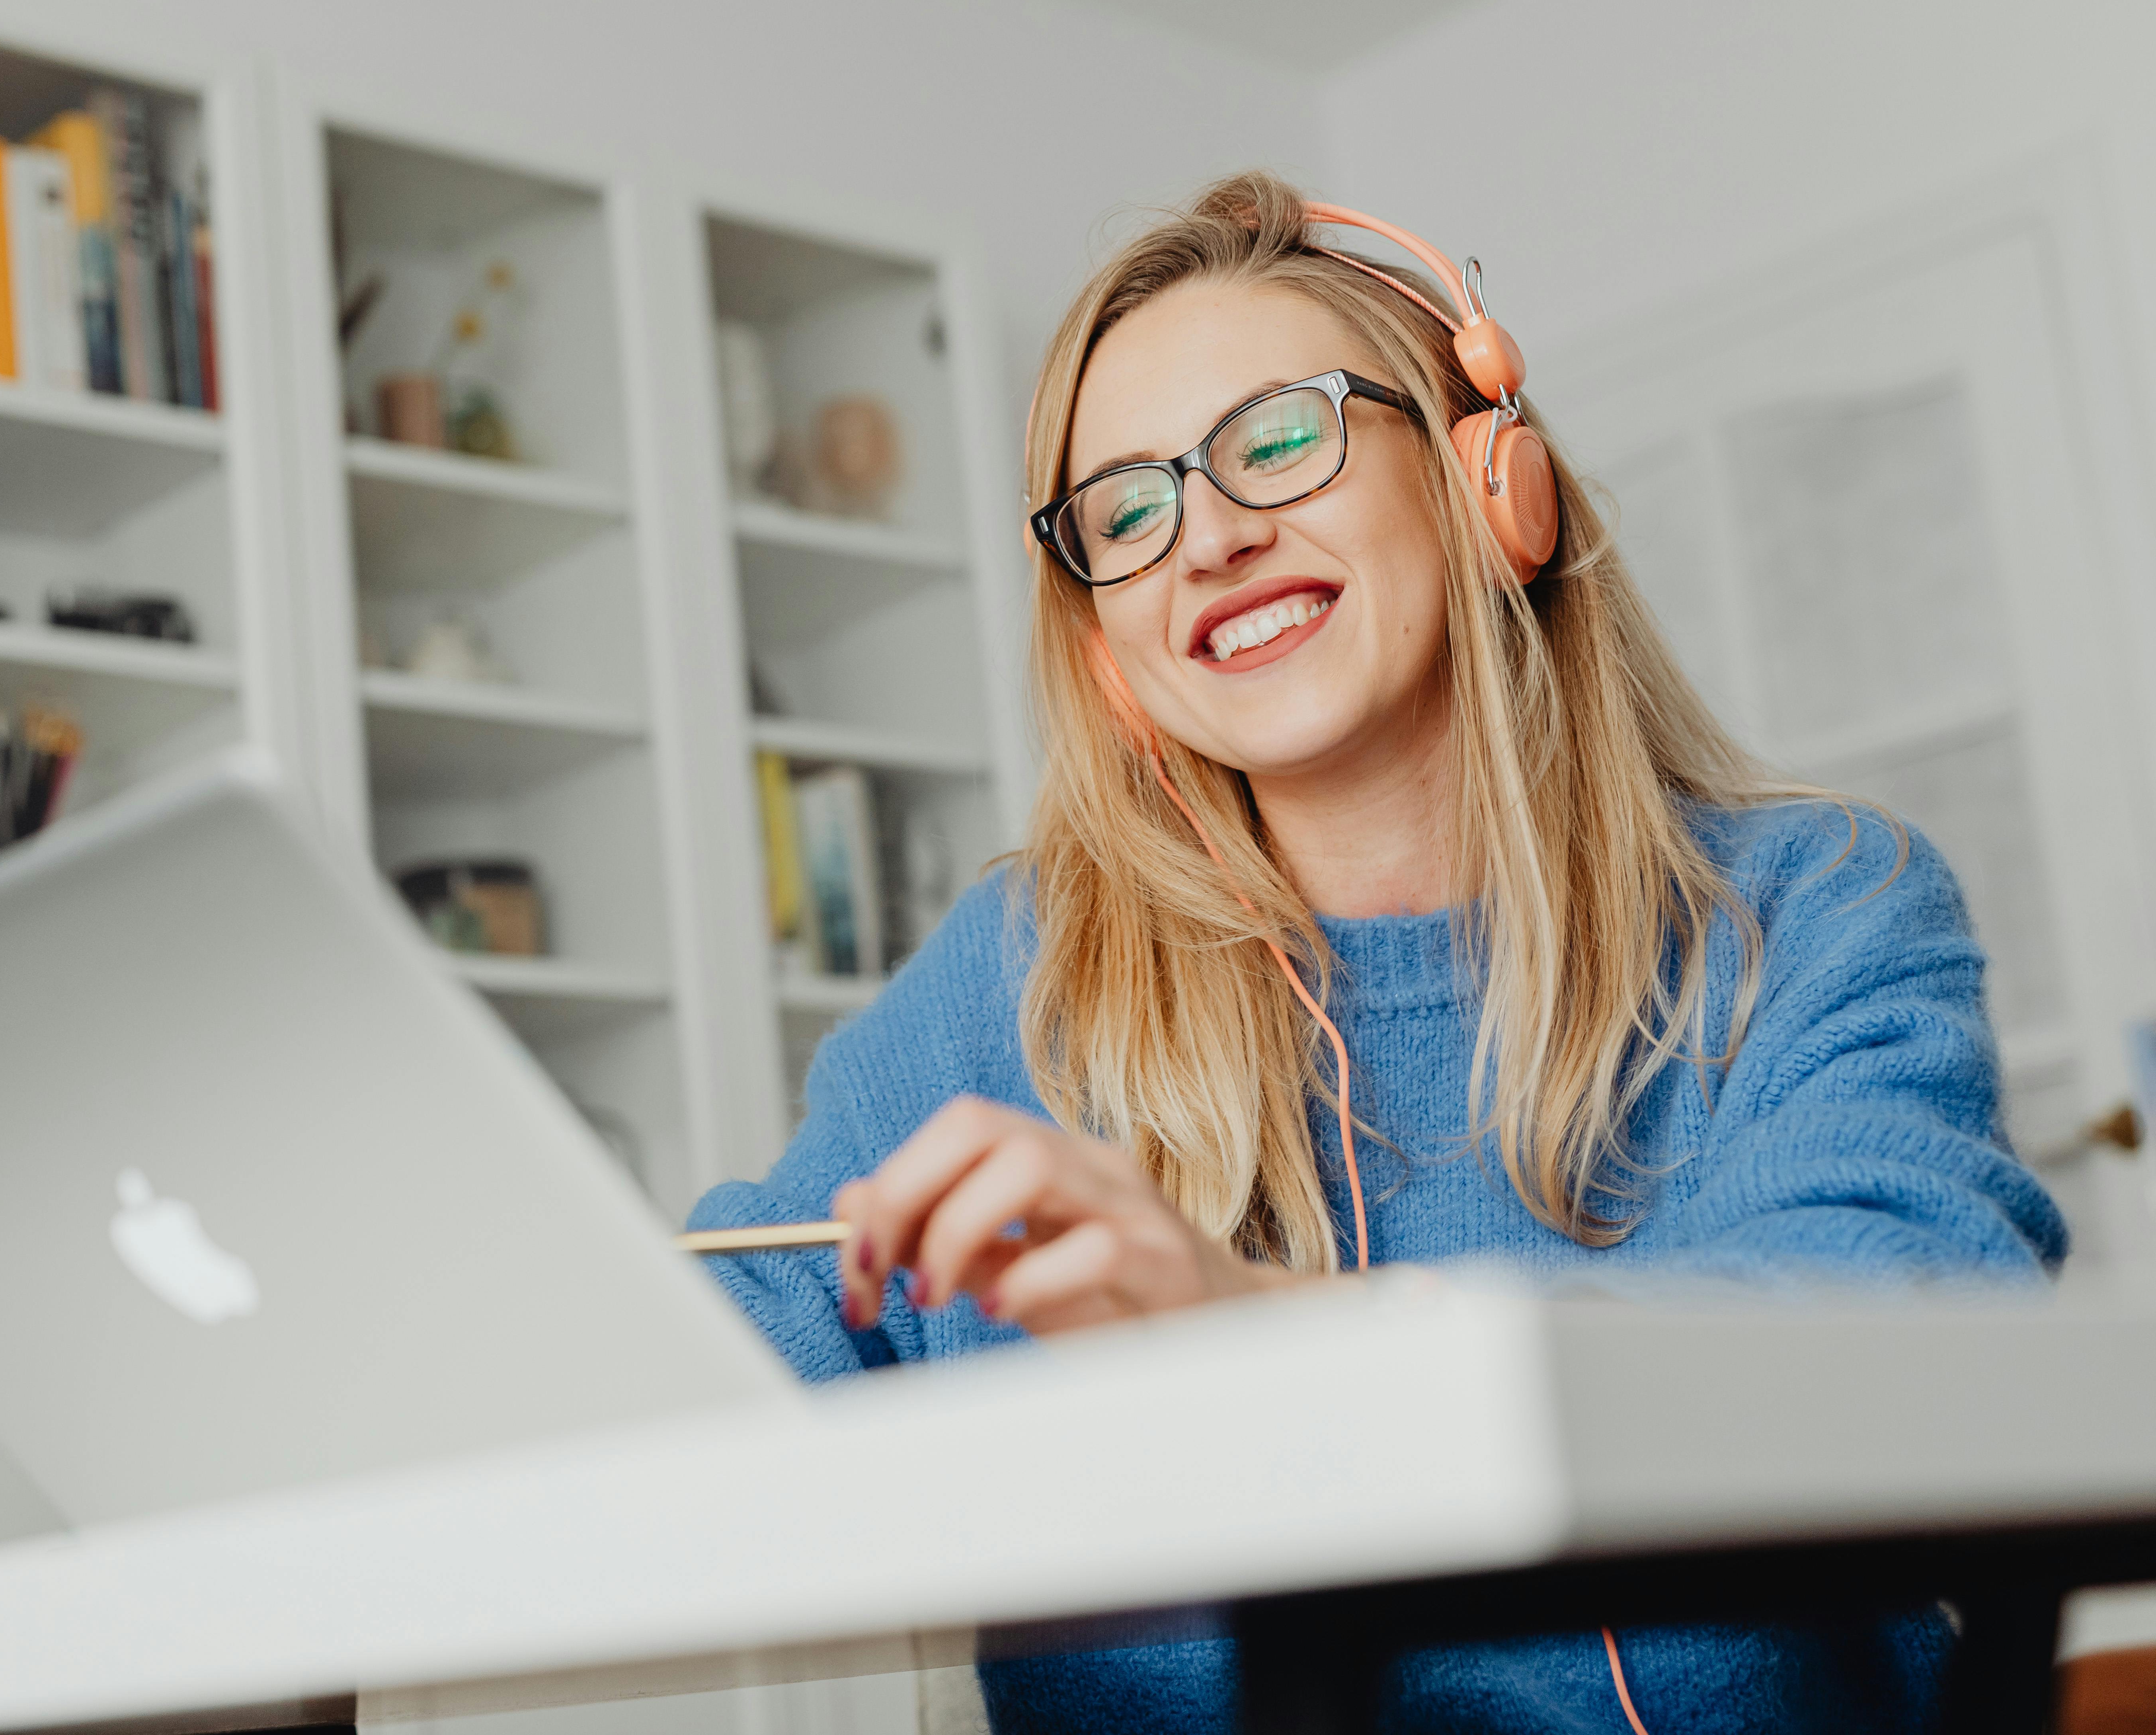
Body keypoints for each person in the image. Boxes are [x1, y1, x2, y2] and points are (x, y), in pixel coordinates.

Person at [686, 170, 2066, 1735]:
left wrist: (1262, 1339)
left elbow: (1894, 1334)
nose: (1207, 535)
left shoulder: (1818, 911)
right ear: (1113, 656)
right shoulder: (1009, 991)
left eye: (1281, 437)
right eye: (1127, 511)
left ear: (1492, 483)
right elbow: (699, 1380)